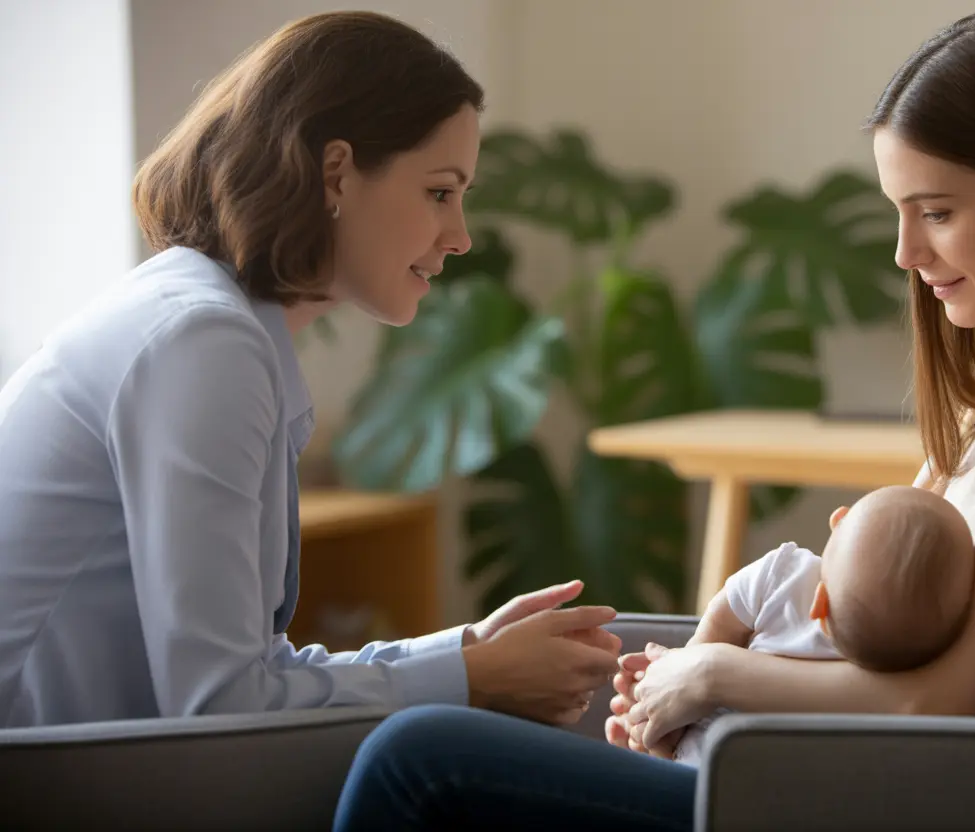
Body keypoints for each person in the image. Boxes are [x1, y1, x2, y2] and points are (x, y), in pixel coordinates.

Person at [329, 6, 975, 831]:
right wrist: (684, 679)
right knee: (448, 741)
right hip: (872, 771)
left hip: (956, 793)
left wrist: (712, 674)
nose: (904, 251)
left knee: (418, 760)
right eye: (899, 212)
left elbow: (941, 697)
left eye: (937, 211)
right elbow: (866, 637)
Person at [0, 11, 621, 730]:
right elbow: (224, 709)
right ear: (337, 174)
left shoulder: (208, 322)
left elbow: (249, 679)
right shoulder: (204, 344)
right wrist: (472, 678)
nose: (460, 238)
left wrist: (469, 651)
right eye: (439, 192)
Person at [671, 484, 975, 766]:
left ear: (819, 605)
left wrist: (668, 685)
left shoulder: (783, 575)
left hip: (700, 757)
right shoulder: (896, 678)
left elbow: (713, 628)